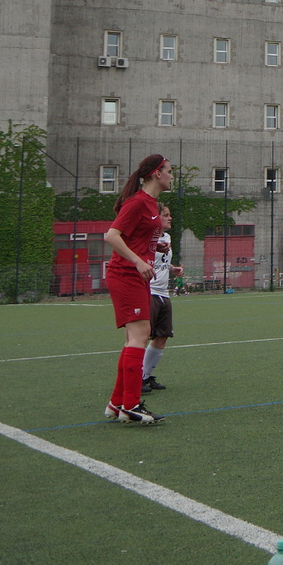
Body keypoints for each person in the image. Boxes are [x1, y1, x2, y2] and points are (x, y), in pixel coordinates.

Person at [103, 154, 171, 424]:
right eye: (169, 171)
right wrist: (137, 260)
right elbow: (111, 236)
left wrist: (155, 247)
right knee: (140, 335)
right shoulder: (138, 202)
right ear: (156, 173)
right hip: (126, 274)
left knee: (136, 336)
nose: (171, 175)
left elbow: (136, 237)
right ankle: (131, 405)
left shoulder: (150, 203)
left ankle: (117, 403)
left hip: (136, 275)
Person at [142, 206, 184, 394]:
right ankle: (135, 378)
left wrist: (172, 269)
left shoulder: (166, 238)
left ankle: (147, 376)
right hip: (148, 292)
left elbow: (160, 263)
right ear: (155, 217)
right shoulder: (146, 236)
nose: (170, 217)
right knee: (141, 337)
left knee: (162, 336)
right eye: (165, 215)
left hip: (163, 293)